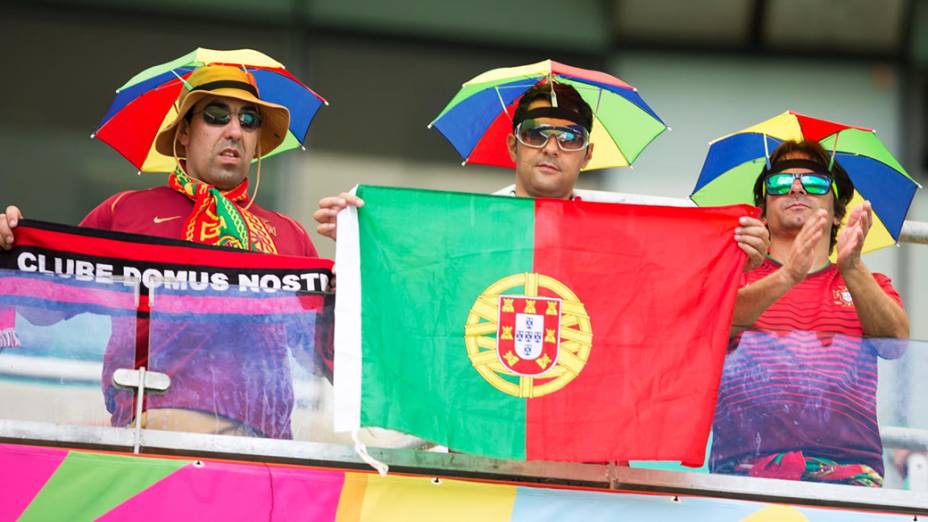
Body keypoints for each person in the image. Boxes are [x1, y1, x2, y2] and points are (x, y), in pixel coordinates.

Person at [1, 64, 323, 438]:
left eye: (249, 119)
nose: (234, 130)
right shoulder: (124, 212)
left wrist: (357, 245)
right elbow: (41, 308)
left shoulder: (290, 235)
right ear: (184, 132)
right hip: (154, 447)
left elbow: (321, 355)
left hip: (268, 455)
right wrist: (10, 245)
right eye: (217, 115)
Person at [312, 81, 770, 271]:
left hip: (580, 421)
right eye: (537, 134)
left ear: (587, 155)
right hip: (486, 411)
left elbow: (669, 291)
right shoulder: (468, 221)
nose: (552, 147)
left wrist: (733, 262)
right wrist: (361, 240)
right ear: (513, 145)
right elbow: (416, 280)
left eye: (569, 138)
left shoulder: (619, 234)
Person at [711, 139, 910, 486]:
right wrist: (787, 276)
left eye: (816, 182)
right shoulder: (734, 276)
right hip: (743, 471)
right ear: (762, 209)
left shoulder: (868, 281)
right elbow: (709, 330)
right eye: (780, 182)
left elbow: (895, 345)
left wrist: (852, 267)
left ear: (837, 213)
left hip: (849, 476)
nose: (797, 188)